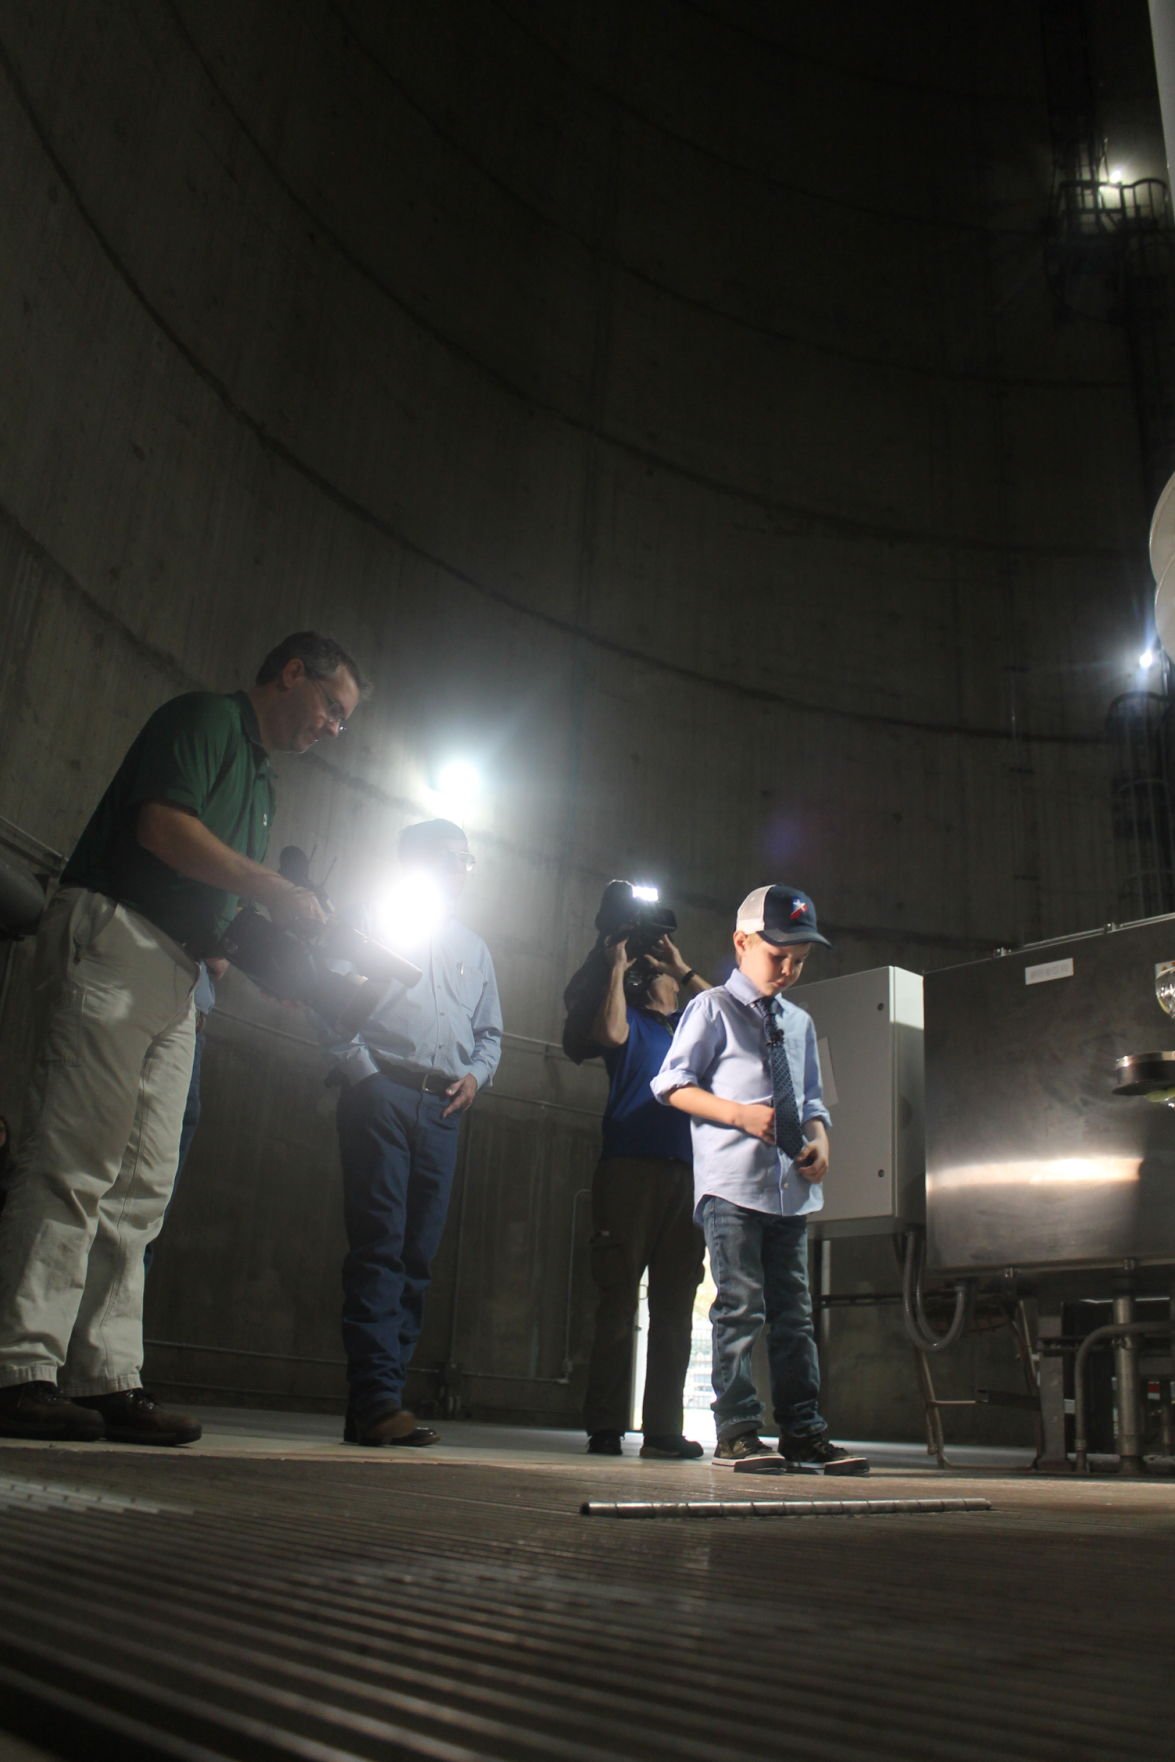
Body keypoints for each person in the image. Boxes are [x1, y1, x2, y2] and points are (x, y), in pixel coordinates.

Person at [0, 631, 366, 1445]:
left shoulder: (263, 784)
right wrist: (274, 889)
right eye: (332, 708)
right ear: (292, 673)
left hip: (177, 968)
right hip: (118, 934)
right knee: (74, 1159)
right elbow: (163, 829)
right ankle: (20, 1367)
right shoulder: (204, 718)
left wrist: (274, 966)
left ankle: (104, 1373)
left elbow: (216, 897)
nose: (333, 729)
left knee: (142, 1183)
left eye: (343, 721)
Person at [651, 884, 868, 1474]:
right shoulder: (712, 1008)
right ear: (741, 943)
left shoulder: (800, 1022)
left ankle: (804, 1431)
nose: (789, 969)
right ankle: (738, 1430)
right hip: (732, 1188)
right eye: (778, 956)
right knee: (741, 1306)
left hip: (790, 1194)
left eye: (800, 958)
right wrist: (740, 1116)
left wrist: (821, 1144)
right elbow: (671, 1084)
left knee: (795, 1315)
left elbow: (815, 1102)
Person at [333, 818, 502, 1447]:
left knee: (416, 1256)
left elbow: (490, 1034)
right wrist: (364, 1076)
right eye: (452, 857)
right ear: (417, 861)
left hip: (443, 1110)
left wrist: (476, 1077)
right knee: (379, 1244)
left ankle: (384, 1399)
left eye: (467, 859)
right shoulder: (370, 919)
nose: (462, 868)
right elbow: (330, 1002)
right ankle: (376, 1400)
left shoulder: (473, 948)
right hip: (384, 1092)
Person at [572, 930, 711, 1458]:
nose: (661, 975)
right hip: (629, 1167)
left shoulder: (692, 1029)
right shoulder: (631, 1022)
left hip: (687, 1172)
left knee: (675, 1304)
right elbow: (608, 1032)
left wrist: (681, 965)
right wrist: (616, 965)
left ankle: (663, 1431)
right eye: (652, 969)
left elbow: (739, 1016)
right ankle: (606, 1425)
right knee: (617, 1296)